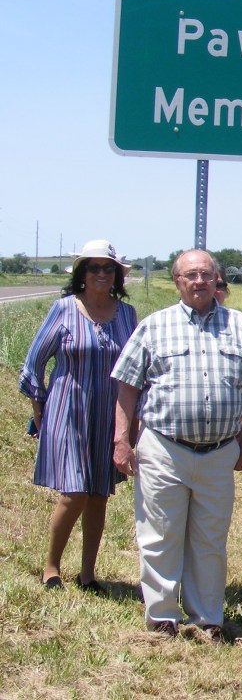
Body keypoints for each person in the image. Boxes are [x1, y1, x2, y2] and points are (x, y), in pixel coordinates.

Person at [111, 249, 242, 640]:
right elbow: (127, 386)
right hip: (165, 448)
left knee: (210, 539)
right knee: (160, 534)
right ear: (177, 282)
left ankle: (208, 618)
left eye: (205, 274)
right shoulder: (154, 326)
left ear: (217, 279)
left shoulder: (240, 325)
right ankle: (163, 617)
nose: (199, 281)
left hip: (218, 452)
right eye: (189, 275)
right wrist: (121, 439)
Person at [19, 239, 136, 592]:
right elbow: (33, 364)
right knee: (75, 491)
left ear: (116, 275)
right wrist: (39, 410)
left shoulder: (127, 314)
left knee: (99, 492)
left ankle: (88, 574)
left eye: (108, 268)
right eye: (94, 267)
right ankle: (51, 568)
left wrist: (132, 424)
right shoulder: (64, 309)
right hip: (68, 410)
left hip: (109, 413)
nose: (101, 273)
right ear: (82, 274)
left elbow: (136, 369)